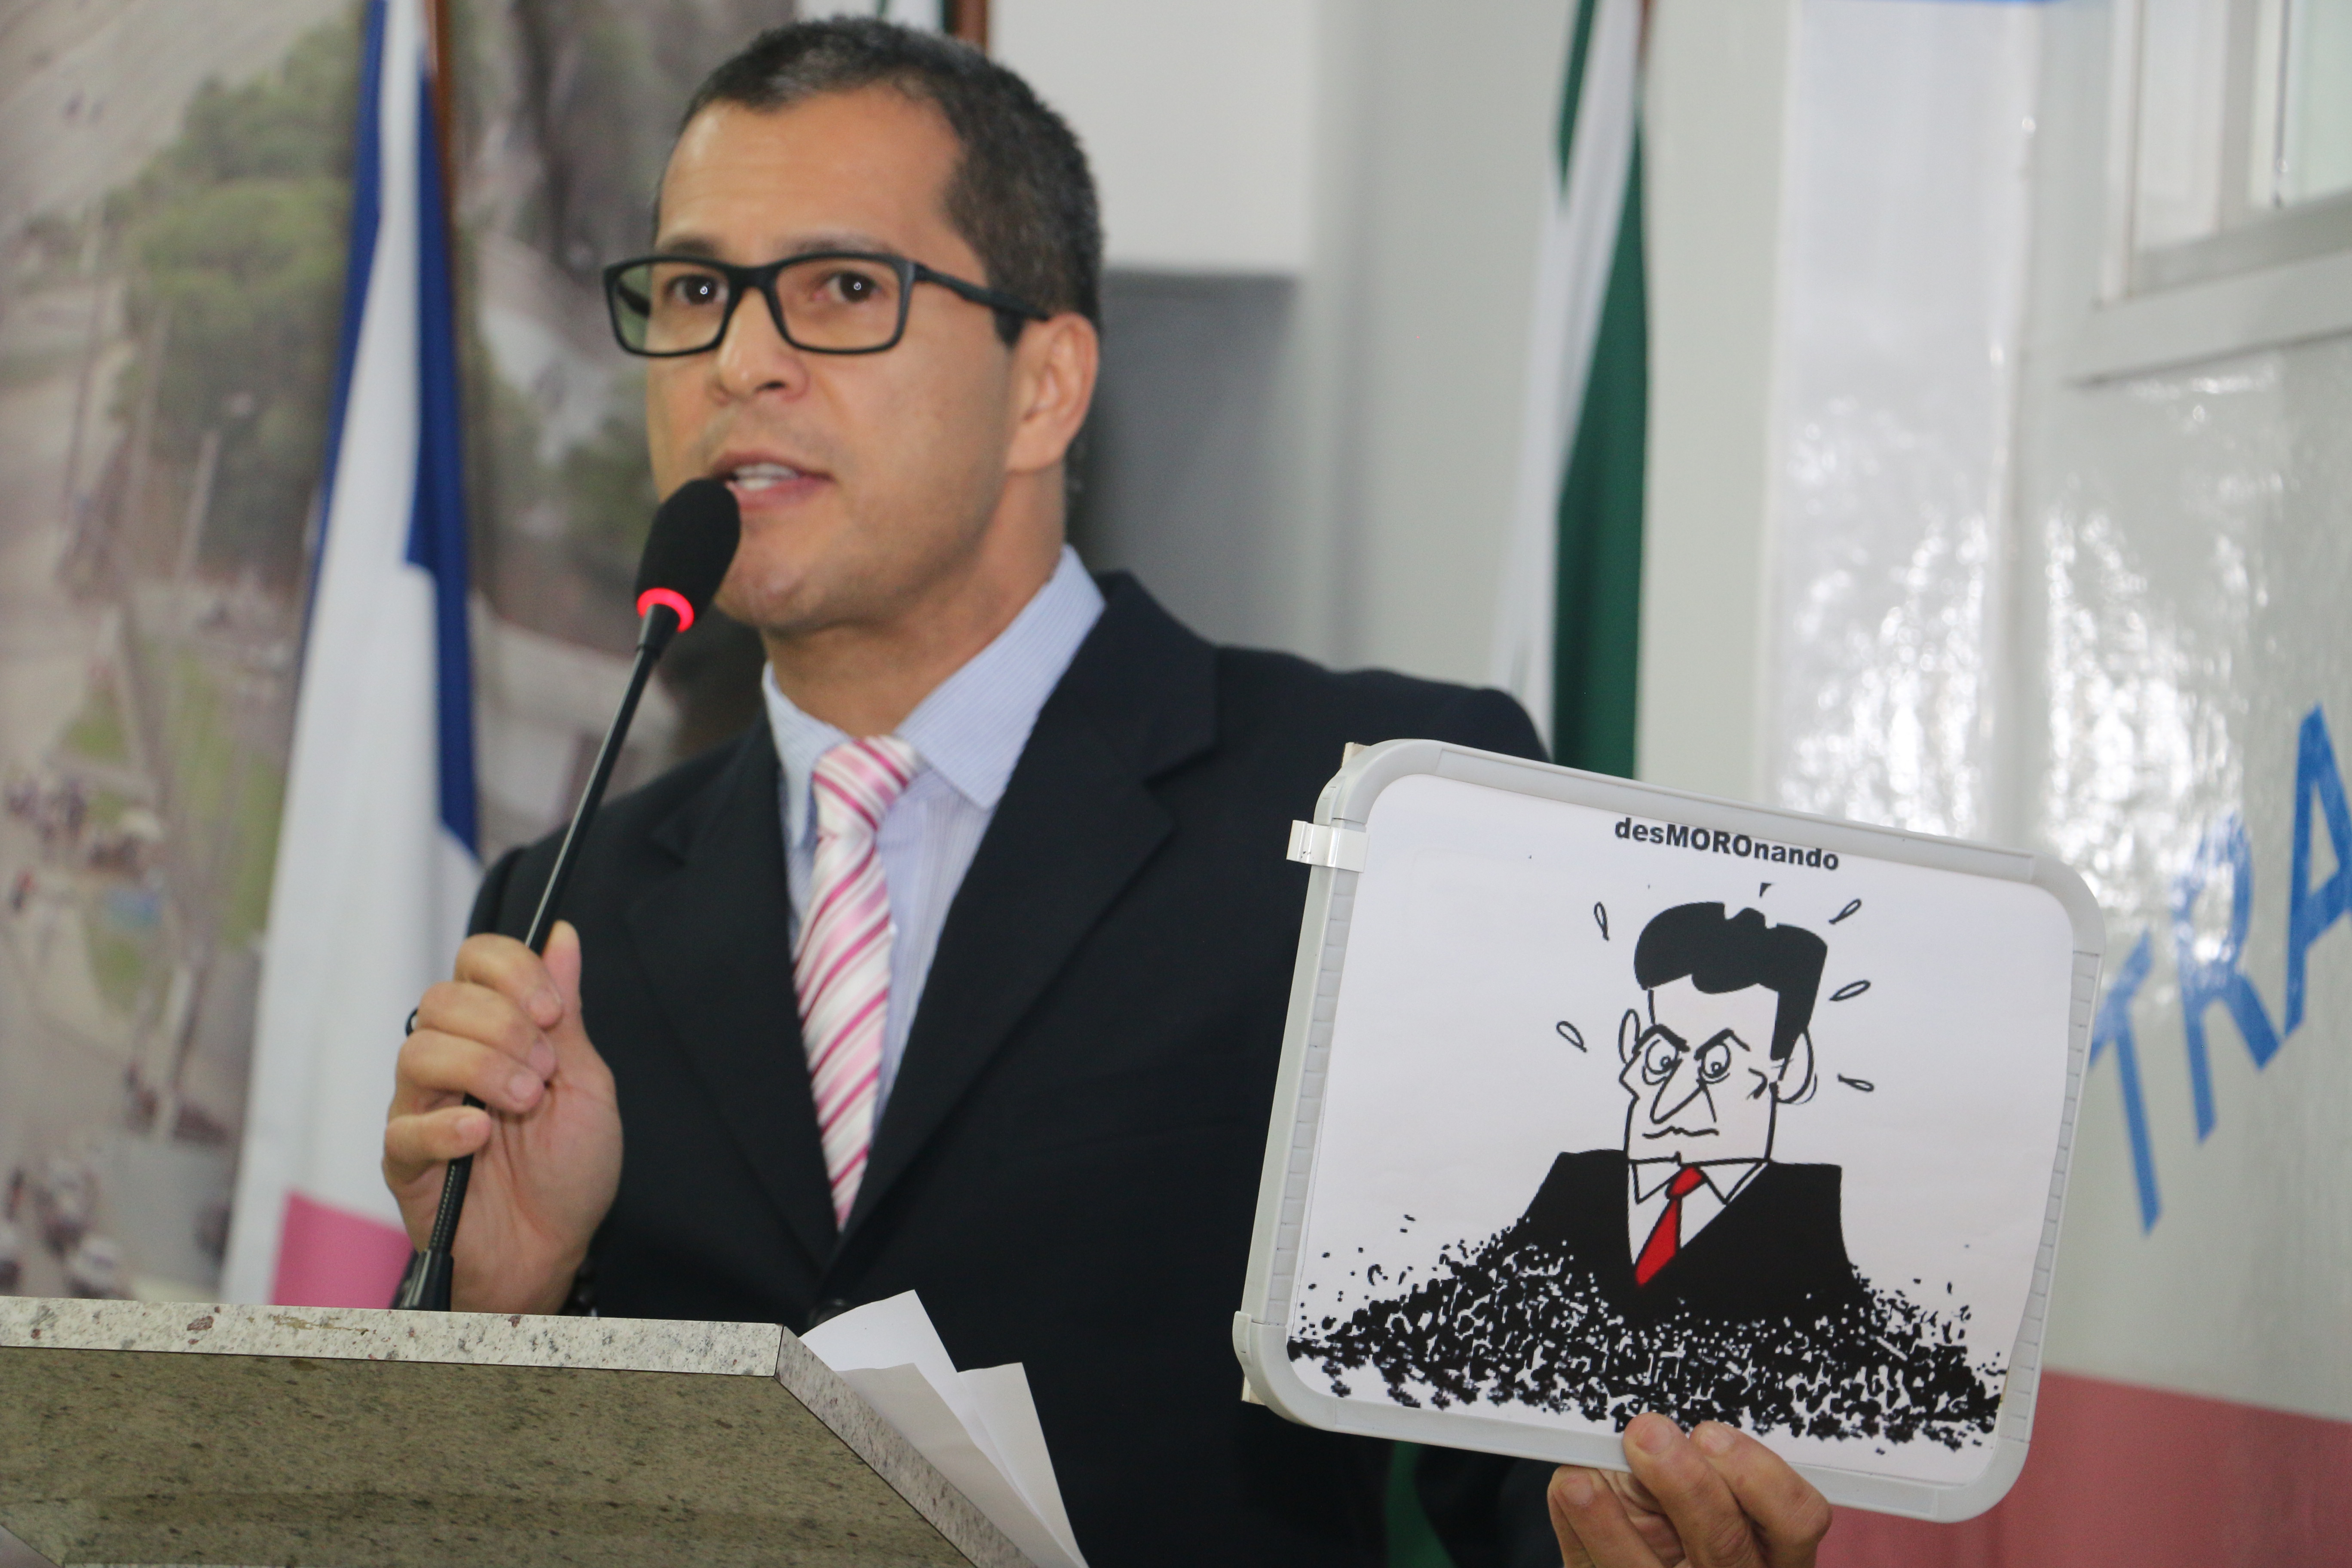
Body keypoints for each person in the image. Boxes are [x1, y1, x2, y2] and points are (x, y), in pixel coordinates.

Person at [380, 19, 1834, 1567]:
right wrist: (499, 1311)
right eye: (692, 293)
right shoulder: (568, 910)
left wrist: (1651, 1535)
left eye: (843, 288)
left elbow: (1549, 1471)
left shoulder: (1383, 815)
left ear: (1046, 384)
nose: (739, 361)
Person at [1512, 901, 1861, 1323]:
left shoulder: (1809, 1216)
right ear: (1631, 1043)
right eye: (1661, 1059)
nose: (1670, 1104)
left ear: (1790, 1069)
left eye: (1717, 1067)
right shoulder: (1575, 1185)